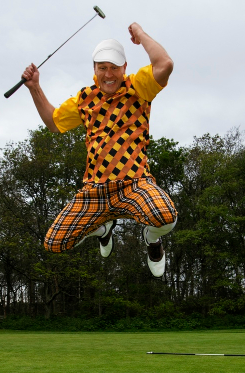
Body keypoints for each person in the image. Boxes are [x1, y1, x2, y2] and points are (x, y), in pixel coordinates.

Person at [20, 22, 178, 278]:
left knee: (166, 217)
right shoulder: (85, 99)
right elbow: (53, 123)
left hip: (135, 184)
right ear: (94, 69)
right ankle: (103, 229)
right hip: (94, 191)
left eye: (114, 67)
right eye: (102, 67)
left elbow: (165, 64)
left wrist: (140, 34)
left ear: (124, 68)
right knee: (54, 242)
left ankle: (152, 239)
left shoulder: (138, 87)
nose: (109, 74)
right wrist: (35, 87)